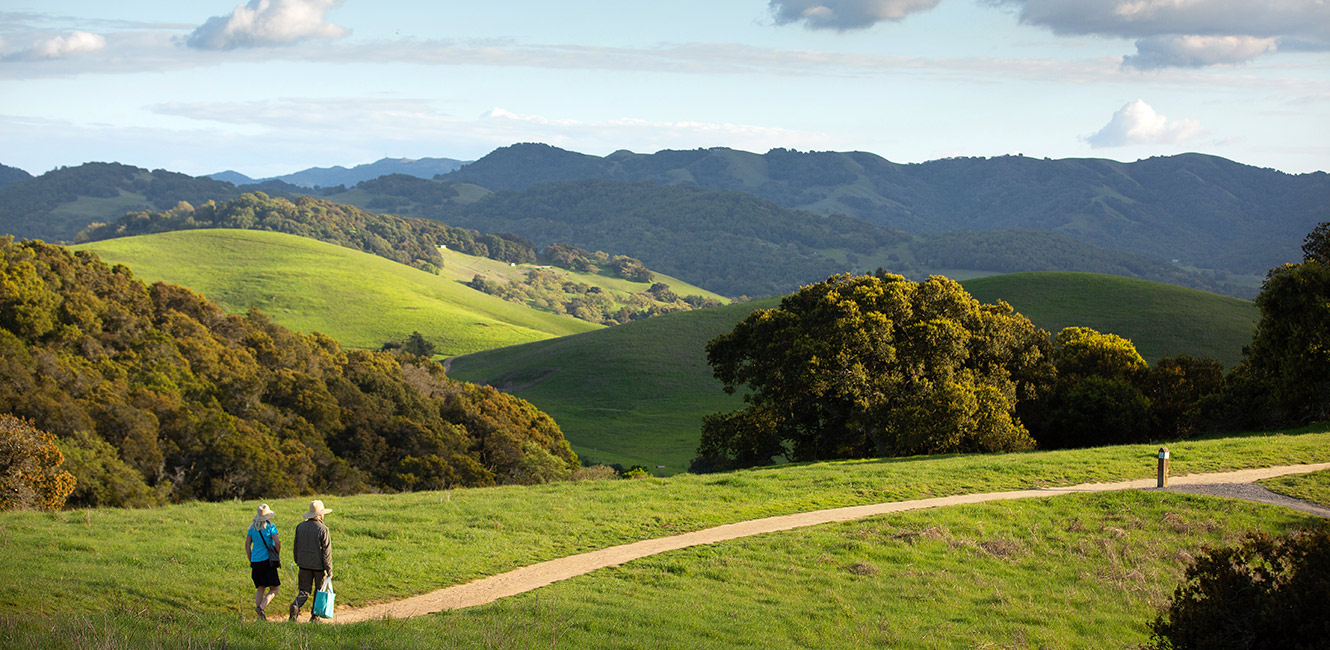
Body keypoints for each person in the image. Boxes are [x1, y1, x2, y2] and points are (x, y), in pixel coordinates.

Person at [288, 499, 332, 622]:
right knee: (319, 591)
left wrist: (298, 560)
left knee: (304, 590)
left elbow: (296, 546)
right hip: (318, 566)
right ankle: (315, 616)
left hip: (303, 564)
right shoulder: (323, 529)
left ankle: (295, 606)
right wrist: (329, 569)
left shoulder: (300, 527)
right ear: (320, 515)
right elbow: (326, 552)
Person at [244, 503, 281, 620]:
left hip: (255, 561)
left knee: (260, 587)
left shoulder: (251, 528)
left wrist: (250, 558)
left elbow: (247, 544)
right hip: (267, 561)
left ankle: (259, 613)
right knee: (274, 588)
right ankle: (262, 607)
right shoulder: (271, 527)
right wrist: (277, 553)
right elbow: (277, 542)